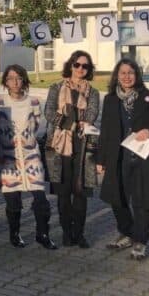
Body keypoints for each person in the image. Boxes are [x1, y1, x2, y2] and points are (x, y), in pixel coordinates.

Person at [96, 58, 149, 260]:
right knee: (117, 199)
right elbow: (105, 131)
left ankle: (140, 241)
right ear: (117, 76)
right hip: (117, 159)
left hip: (144, 159)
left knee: (142, 201)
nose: (126, 77)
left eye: (130, 73)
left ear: (137, 75)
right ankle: (127, 233)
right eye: (122, 73)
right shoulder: (111, 100)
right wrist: (101, 159)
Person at [0, 64, 57, 250]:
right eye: (10, 78)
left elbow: (37, 126)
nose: (14, 82)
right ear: (5, 82)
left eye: (18, 78)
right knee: (13, 201)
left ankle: (42, 234)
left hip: (30, 155)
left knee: (40, 199)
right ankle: (14, 233)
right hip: (8, 157)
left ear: (24, 80)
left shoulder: (34, 102)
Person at [43, 50, 100, 248]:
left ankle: (79, 233)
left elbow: (92, 114)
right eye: (77, 65)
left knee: (81, 191)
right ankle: (67, 233)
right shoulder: (56, 87)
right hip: (60, 146)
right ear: (71, 65)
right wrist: (71, 123)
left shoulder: (93, 92)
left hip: (83, 147)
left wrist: (80, 122)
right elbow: (49, 111)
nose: (80, 69)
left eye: (85, 66)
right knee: (63, 192)